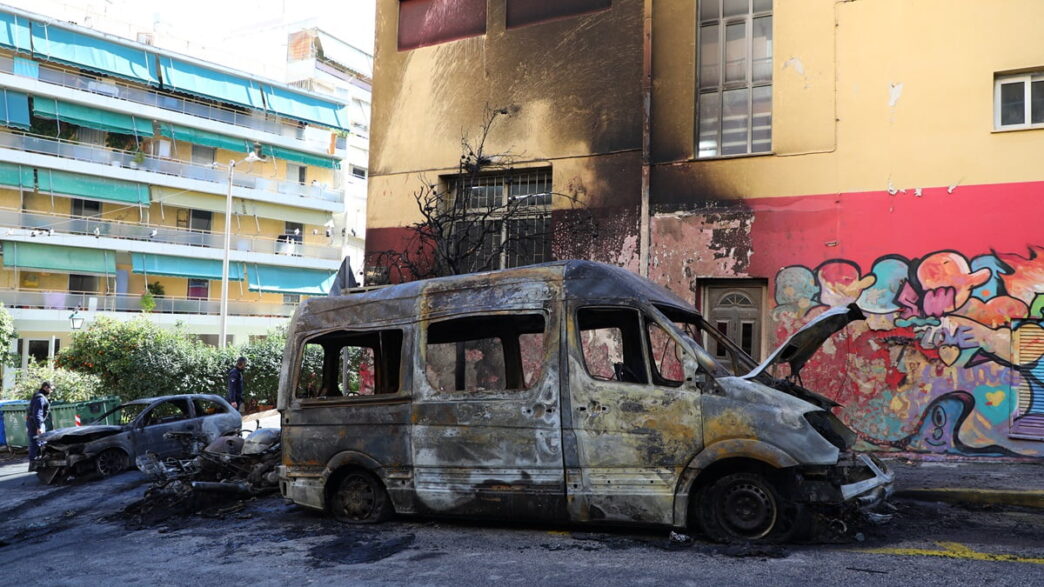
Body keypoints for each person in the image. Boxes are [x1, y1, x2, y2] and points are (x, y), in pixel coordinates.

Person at [26, 381, 52, 463]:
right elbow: (38, 413)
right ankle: (34, 461)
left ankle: (36, 460)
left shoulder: (38, 395)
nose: (51, 391)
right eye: (51, 389)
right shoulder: (40, 398)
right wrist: (39, 427)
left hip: (33, 422)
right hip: (36, 423)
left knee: (38, 441)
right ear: (46, 387)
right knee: (38, 442)